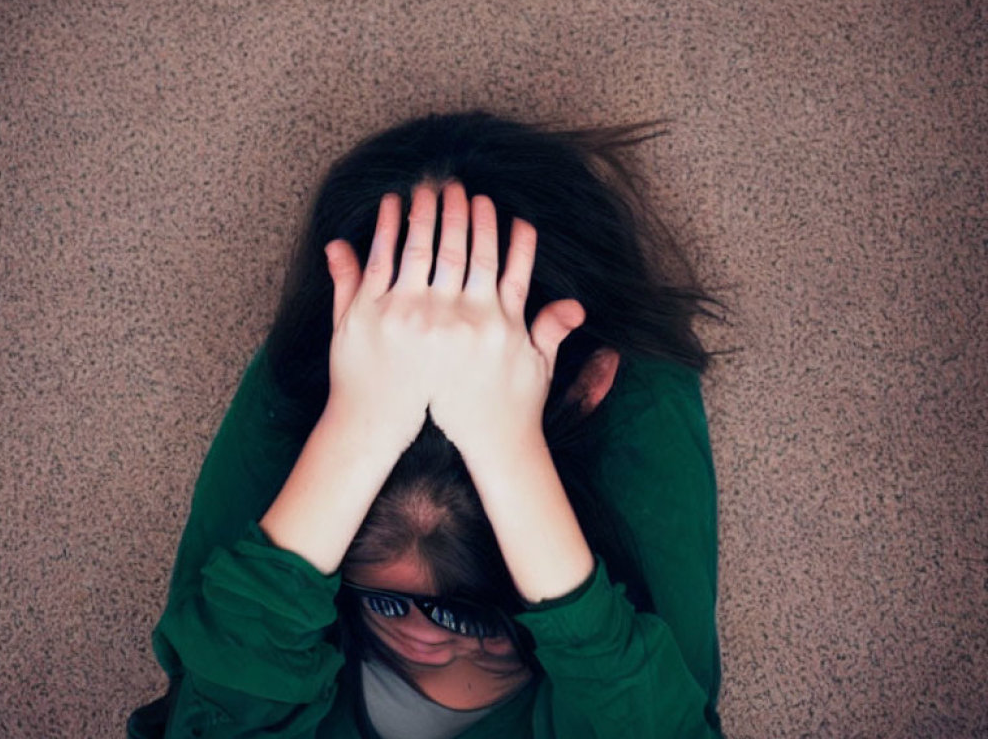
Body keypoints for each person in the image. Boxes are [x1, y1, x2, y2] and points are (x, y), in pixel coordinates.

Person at [128, 111, 724, 738]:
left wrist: (504, 449)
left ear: (594, 384)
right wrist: (362, 423)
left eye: (475, 614)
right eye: (381, 602)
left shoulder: (641, 389)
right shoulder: (299, 383)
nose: (421, 636)